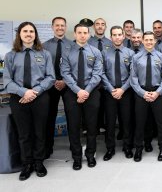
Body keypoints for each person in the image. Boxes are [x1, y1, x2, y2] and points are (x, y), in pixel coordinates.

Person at [3, 22, 55, 181]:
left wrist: (35, 91)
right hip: (18, 98)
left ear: (35, 34)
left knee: (40, 131)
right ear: (19, 34)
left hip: (40, 98)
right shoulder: (10, 55)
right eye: (25, 31)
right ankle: (27, 164)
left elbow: (51, 77)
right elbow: (7, 81)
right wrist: (24, 92)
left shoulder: (44, 54)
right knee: (24, 133)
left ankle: (39, 162)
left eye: (31, 31)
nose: (28, 34)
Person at [61, 23, 103, 170]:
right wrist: (78, 91)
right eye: (80, 32)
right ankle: (77, 157)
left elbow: (97, 74)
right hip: (72, 93)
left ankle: (90, 155)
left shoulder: (96, 52)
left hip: (91, 93)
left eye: (85, 32)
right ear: (75, 34)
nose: (83, 35)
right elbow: (65, 73)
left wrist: (86, 91)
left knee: (92, 127)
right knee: (73, 127)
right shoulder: (67, 52)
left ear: (89, 34)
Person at [130, 31, 162, 162]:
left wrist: (157, 92)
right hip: (141, 93)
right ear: (142, 40)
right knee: (140, 122)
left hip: (157, 93)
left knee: (160, 123)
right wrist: (143, 93)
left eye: (151, 39)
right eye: (146, 39)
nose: (148, 42)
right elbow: (133, 78)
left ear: (155, 41)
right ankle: (139, 149)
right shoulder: (136, 58)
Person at [101, 26, 135, 161]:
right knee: (109, 122)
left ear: (123, 36)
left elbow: (133, 74)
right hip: (110, 92)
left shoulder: (130, 53)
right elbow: (101, 73)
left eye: (119, 34)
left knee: (127, 121)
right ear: (111, 37)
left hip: (125, 92)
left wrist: (123, 89)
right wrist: (111, 89)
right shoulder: (104, 53)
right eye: (114, 35)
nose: (117, 37)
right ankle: (110, 148)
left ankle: (127, 147)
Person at [42, 16, 73, 158]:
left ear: (66, 27)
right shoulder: (44, 46)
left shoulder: (73, 45)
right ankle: (48, 147)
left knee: (72, 116)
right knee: (49, 117)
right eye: (57, 25)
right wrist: (53, 81)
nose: (60, 28)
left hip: (69, 85)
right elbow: (41, 68)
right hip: (50, 85)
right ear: (52, 27)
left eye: (62, 25)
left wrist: (65, 81)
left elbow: (75, 67)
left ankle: (74, 145)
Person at [88, 18, 111, 133]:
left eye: (103, 24)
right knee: (92, 106)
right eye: (97, 24)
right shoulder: (88, 42)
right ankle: (91, 129)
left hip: (107, 80)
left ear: (105, 27)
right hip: (91, 80)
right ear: (93, 27)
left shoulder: (111, 43)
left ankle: (103, 126)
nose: (100, 26)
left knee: (105, 105)